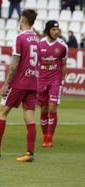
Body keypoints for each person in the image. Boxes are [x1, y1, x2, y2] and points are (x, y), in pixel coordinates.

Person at [0, 9, 40, 162]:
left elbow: (14, 65)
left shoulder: (20, 38)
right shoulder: (37, 38)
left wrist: (6, 84)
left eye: (20, 19)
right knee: (29, 116)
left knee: (1, 112)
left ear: (23, 19)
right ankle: (29, 153)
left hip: (20, 82)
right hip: (33, 82)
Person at [37, 20, 68, 148]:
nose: (56, 32)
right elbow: (35, 62)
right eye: (53, 29)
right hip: (41, 80)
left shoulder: (62, 46)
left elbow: (64, 64)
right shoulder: (40, 44)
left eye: (57, 29)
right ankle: (44, 135)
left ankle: (49, 138)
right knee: (43, 109)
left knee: (52, 108)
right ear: (48, 30)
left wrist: (63, 81)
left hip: (55, 80)